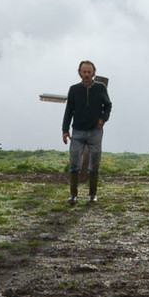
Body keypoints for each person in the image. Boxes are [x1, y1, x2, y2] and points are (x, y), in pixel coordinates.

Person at [61, 60, 111, 204]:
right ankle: (73, 195)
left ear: (94, 73)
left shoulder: (100, 88)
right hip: (77, 132)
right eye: (84, 72)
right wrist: (65, 130)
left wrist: (103, 119)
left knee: (95, 163)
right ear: (79, 73)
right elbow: (69, 111)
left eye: (89, 72)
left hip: (95, 131)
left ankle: (92, 195)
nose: (87, 75)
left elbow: (108, 105)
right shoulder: (74, 89)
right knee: (74, 162)